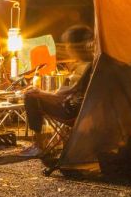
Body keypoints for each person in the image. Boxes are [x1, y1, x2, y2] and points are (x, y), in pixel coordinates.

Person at [18, 24, 95, 158]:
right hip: (77, 107)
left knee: (30, 97)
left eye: (68, 45)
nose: (66, 48)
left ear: (75, 46)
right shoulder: (88, 63)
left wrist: (39, 93)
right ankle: (40, 143)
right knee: (34, 94)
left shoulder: (86, 67)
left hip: (72, 111)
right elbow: (65, 93)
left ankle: (39, 145)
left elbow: (61, 97)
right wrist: (42, 93)